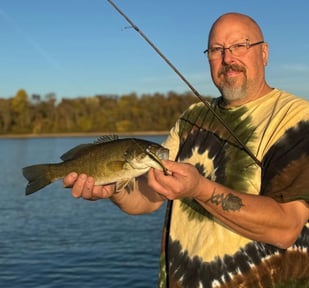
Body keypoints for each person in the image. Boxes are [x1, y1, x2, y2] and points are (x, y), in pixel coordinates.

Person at [63, 12, 309, 288]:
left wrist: (198, 189)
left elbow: (287, 228)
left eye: (240, 46)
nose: (228, 59)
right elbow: (150, 197)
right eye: (217, 50)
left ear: (263, 53)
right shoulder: (191, 118)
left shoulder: (296, 118)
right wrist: (115, 189)